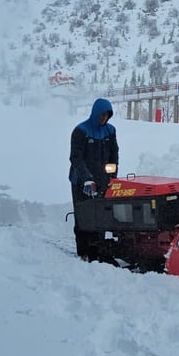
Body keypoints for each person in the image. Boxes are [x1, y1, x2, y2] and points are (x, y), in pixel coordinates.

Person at [69, 98, 119, 260]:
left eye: (107, 116)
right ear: (95, 113)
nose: (104, 118)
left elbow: (114, 155)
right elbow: (76, 158)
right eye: (102, 115)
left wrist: (112, 176)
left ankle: (98, 250)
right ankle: (83, 251)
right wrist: (87, 179)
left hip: (103, 180)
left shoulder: (110, 131)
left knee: (101, 216)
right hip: (82, 181)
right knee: (84, 215)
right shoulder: (81, 131)